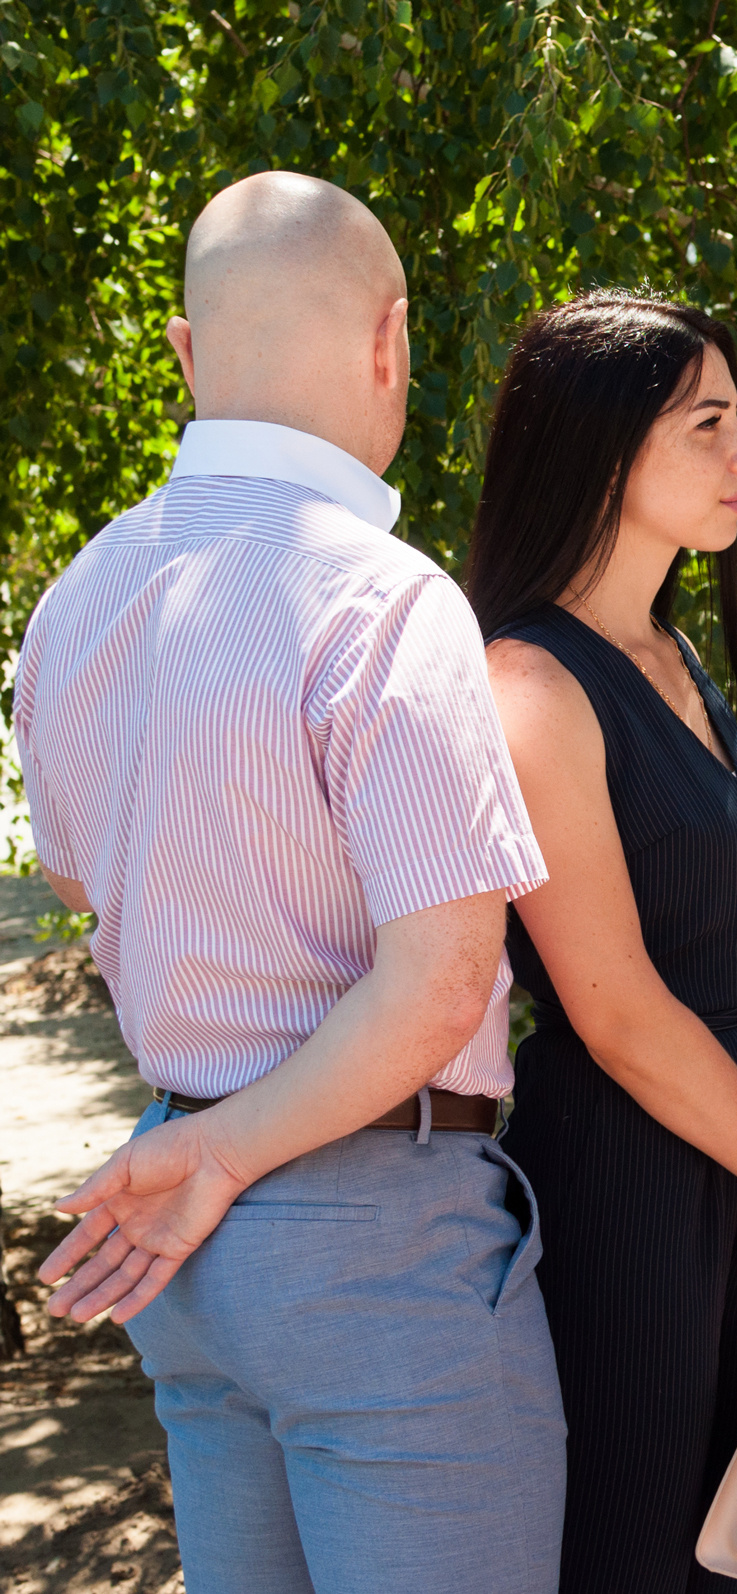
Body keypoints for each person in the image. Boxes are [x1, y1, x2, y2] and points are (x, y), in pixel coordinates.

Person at [19, 171, 566, 1593]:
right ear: (392, 342)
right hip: (370, 1229)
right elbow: (441, 979)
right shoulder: (383, 596)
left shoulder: (76, 602)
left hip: (192, 1246)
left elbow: (84, 882)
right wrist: (227, 1155)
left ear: (185, 355)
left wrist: (208, 1145)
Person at [466, 289, 737, 1594]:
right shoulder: (530, 682)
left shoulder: (673, 651)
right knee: (635, 1555)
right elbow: (620, 1012)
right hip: (627, 1181)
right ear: (600, 445)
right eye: (709, 423)